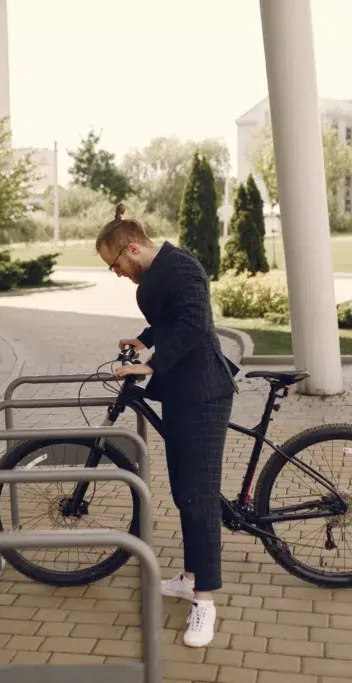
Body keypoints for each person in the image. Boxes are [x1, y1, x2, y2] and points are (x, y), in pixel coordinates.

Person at [95, 203, 239, 648]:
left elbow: (196, 324)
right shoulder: (161, 273)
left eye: (116, 264)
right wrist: (146, 339)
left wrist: (150, 364)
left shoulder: (183, 267)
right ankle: (191, 576)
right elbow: (171, 320)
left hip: (203, 392)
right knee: (184, 491)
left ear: (133, 248)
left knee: (199, 499)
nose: (117, 274)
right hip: (181, 392)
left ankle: (205, 603)